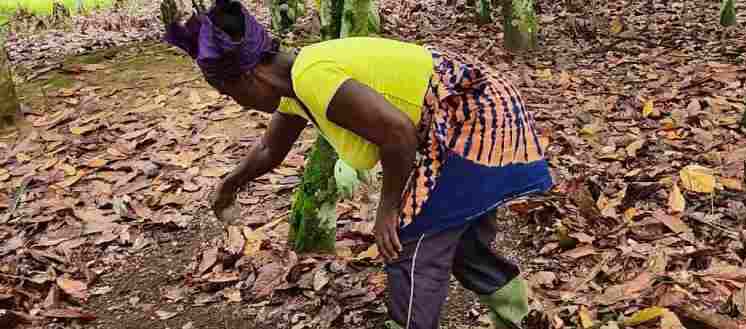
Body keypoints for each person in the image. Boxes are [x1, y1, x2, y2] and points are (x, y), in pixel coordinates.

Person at [161, 0, 554, 328]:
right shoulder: (296, 85)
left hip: (473, 117)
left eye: (229, 94)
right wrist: (229, 186)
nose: (236, 103)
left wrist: (388, 209)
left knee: (409, 238)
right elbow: (269, 150)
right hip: (479, 109)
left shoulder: (312, 76)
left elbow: (398, 134)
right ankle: (522, 317)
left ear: (248, 77)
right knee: (462, 240)